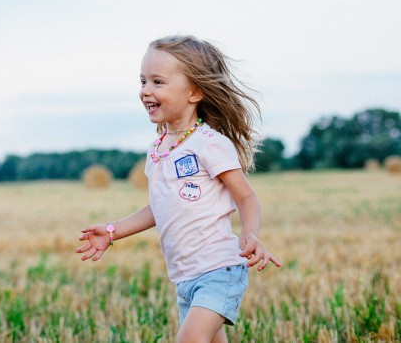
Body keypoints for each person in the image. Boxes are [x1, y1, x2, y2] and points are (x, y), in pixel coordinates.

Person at [76, 35, 280, 343]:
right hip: (185, 278)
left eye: (158, 82)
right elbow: (159, 207)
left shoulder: (210, 144)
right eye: (142, 81)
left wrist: (250, 234)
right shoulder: (158, 149)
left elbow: (245, 196)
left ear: (195, 91)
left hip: (218, 270)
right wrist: (112, 230)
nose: (146, 91)